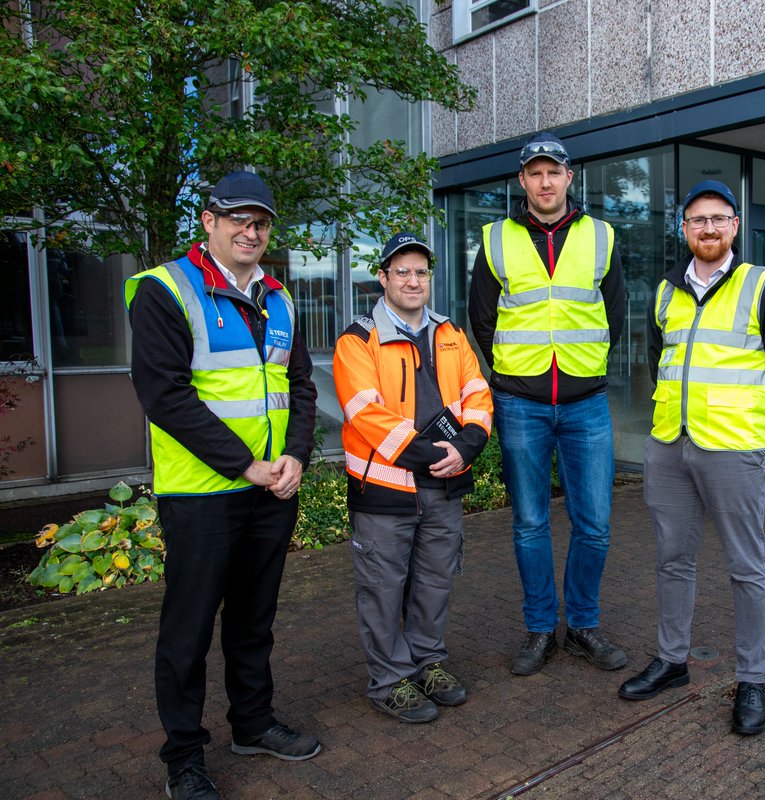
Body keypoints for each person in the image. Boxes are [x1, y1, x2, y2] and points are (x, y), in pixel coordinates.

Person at [125, 171, 320, 800]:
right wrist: (246, 464)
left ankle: (253, 723)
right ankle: (184, 758)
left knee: (253, 620)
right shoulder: (166, 291)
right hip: (202, 494)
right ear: (207, 221)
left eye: (260, 221)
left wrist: (293, 457)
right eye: (237, 217)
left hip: (271, 490)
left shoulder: (280, 298)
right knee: (188, 630)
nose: (250, 230)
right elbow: (166, 396)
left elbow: (301, 390)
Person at [618, 180, 765, 736]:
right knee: (673, 559)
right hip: (670, 446)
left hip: (734, 450)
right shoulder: (665, 293)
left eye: (718, 219)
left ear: (735, 227)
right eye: (697, 220)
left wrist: (752, 430)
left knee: (747, 567)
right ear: (683, 228)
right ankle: (672, 660)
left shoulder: (761, 287)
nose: (707, 228)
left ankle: (752, 680)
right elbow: (660, 363)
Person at [468, 131, 628, 676]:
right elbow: (482, 318)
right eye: (534, 173)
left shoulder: (602, 236)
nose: (544, 181)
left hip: (586, 402)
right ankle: (540, 629)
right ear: (522, 181)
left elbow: (616, 313)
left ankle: (582, 624)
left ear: (569, 177)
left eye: (552, 172)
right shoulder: (495, 239)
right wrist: (515, 377)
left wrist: (586, 367)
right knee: (530, 523)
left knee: (596, 524)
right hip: (522, 402)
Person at [333, 232, 493, 724]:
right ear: (382, 279)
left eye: (420, 271)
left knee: (434, 580)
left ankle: (427, 661)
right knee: (382, 587)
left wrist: (467, 446)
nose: (412, 279)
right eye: (400, 271)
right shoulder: (357, 340)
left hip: (443, 485)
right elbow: (367, 414)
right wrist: (434, 453)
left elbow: (478, 395)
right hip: (384, 489)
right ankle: (387, 680)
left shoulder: (451, 334)